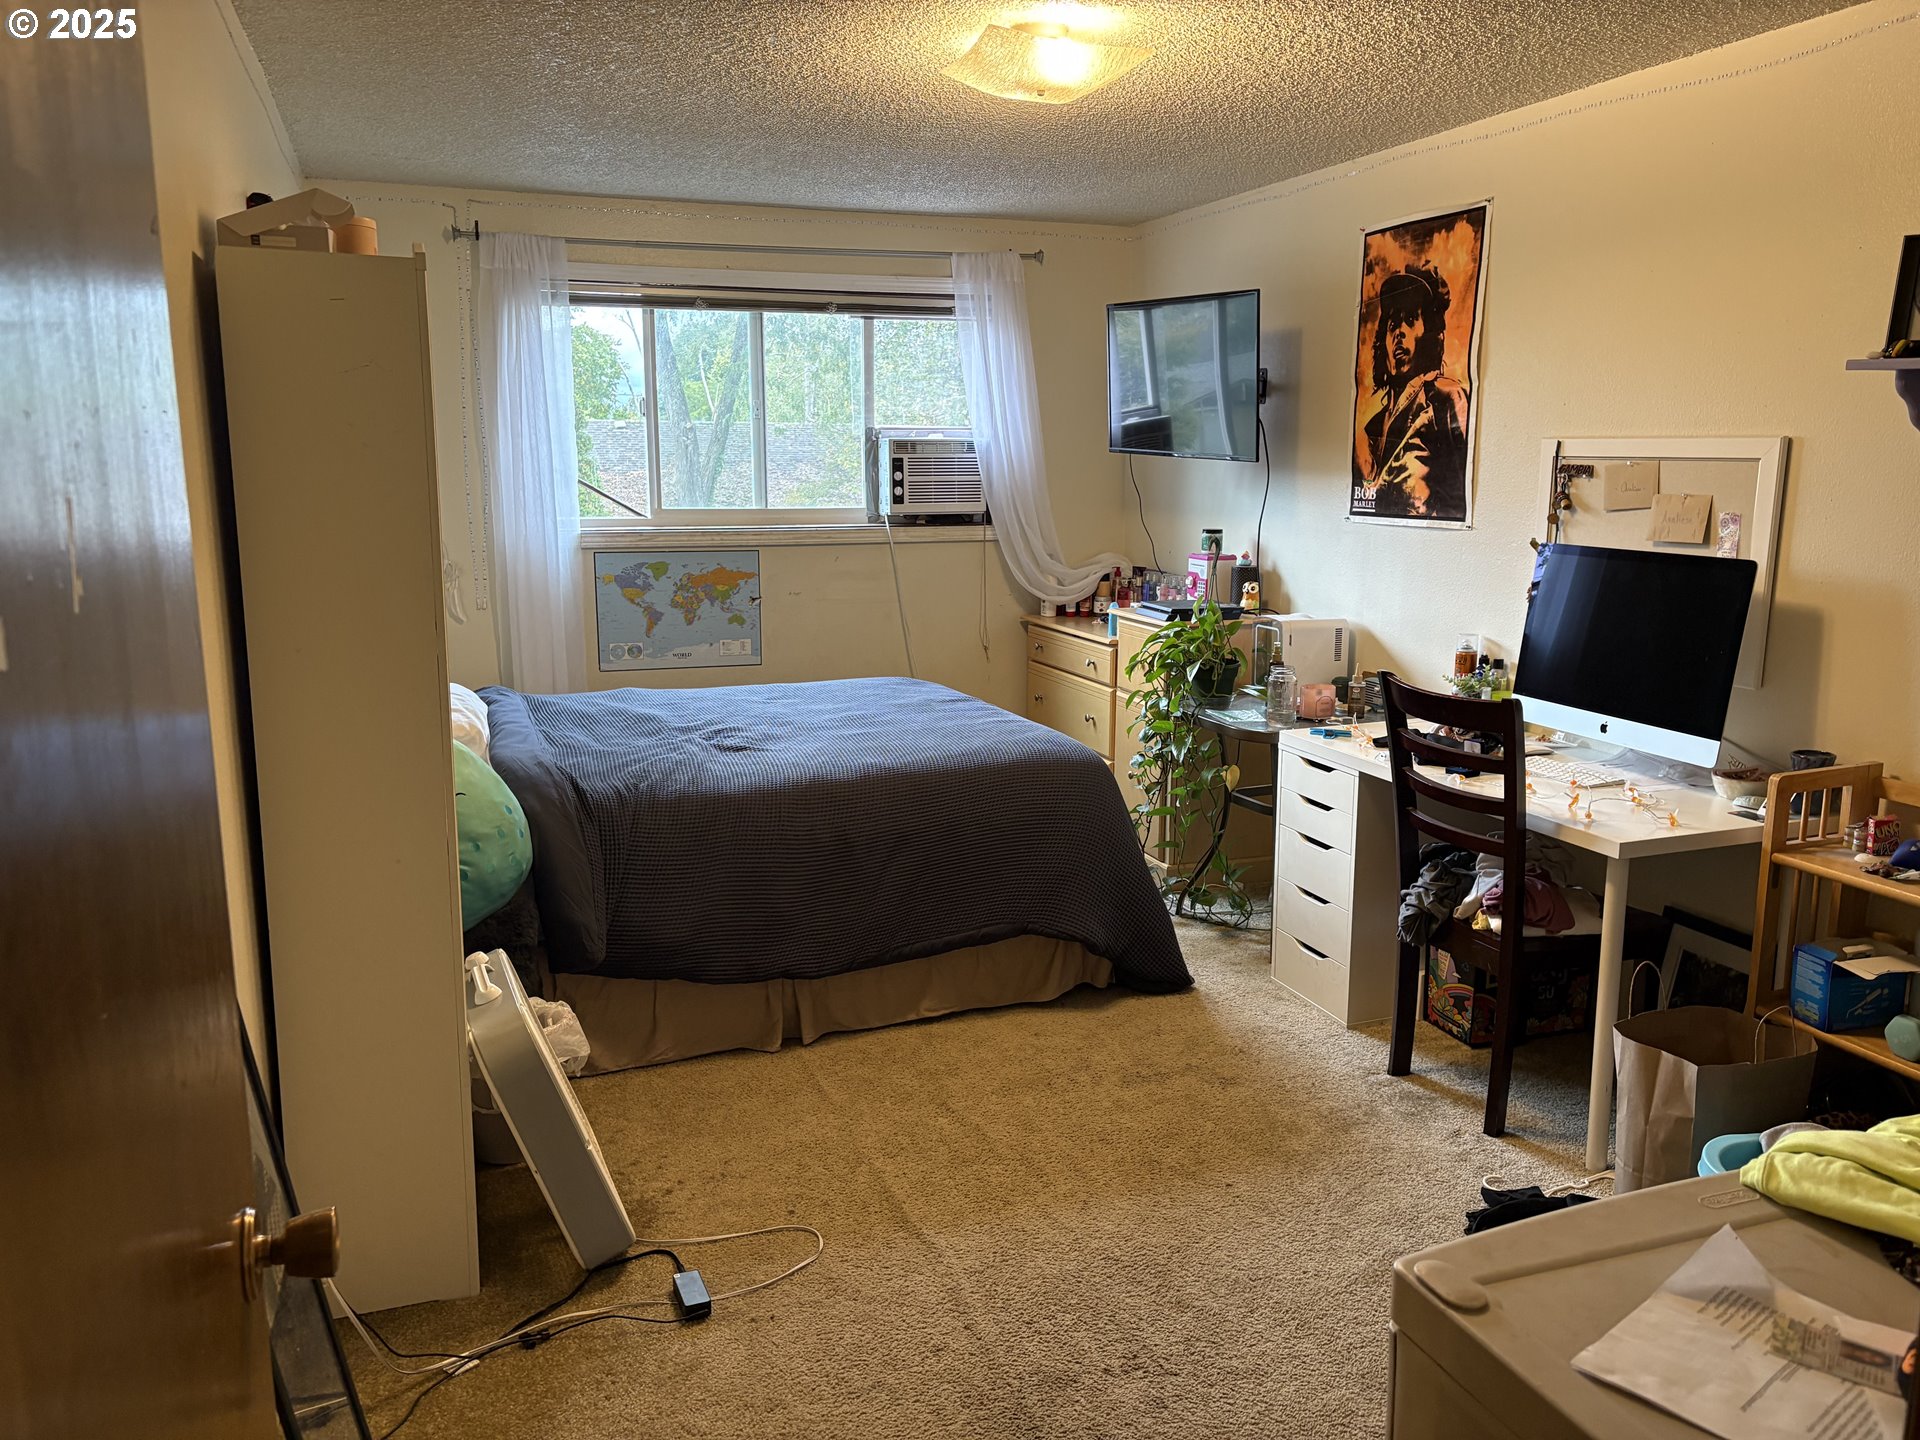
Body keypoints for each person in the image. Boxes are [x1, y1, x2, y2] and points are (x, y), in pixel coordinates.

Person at [1353, 262, 1469, 520]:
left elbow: (1464, 489)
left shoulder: (1444, 397)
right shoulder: (1372, 427)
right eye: (1393, 325)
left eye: (1410, 321)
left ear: (1426, 333)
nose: (1400, 333)